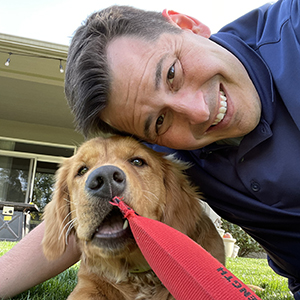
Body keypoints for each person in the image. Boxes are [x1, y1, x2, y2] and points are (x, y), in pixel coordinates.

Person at [0, 1, 299, 299]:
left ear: (186, 24)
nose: (198, 111)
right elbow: (80, 214)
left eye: (171, 73)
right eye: (158, 121)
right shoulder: (170, 154)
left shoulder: (293, 29)